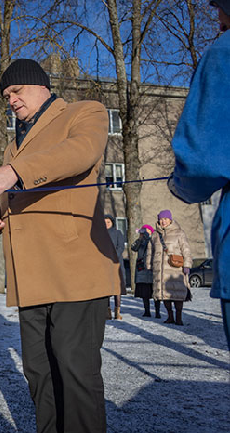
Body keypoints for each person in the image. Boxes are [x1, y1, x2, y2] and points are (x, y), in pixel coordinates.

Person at [0, 59, 120, 433]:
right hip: (31, 278)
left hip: (75, 271)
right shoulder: (12, 148)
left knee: (75, 370)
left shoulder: (84, 112)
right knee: (39, 373)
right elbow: (14, 198)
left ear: (40, 85)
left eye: (16, 91)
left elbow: (80, 152)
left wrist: (15, 172)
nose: (11, 100)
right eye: (6, 96)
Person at [168, 0, 230, 348]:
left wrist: (180, 183)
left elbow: (202, 158)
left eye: (220, 7)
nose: (218, 18)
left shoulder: (224, 53)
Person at [146, 210, 193, 326]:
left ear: (170, 220)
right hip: (160, 270)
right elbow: (150, 251)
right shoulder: (155, 235)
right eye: (161, 219)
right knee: (165, 294)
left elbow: (186, 250)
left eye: (165, 219)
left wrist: (187, 265)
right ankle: (170, 316)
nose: (163, 221)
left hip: (175, 269)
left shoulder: (179, 233)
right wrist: (149, 265)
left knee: (177, 295)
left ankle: (179, 318)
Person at [131, 225, 159, 318]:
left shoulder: (155, 239)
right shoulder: (141, 241)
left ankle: (157, 312)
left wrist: (148, 238)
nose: (145, 232)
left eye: (146, 230)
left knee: (155, 292)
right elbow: (134, 248)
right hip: (142, 270)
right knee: (144, 293)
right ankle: (147, 311)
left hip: (152, 269)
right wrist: (140, 239)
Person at [105, 214, 127, 320]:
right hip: (104, 264)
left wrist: (113, 256)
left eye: (108, 222)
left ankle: (117, 311)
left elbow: (121, 247)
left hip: (116, 263)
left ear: (112, 222)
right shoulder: (100, 234)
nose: (106, 224)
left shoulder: (118, 233)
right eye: (104, 222)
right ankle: (107, 311)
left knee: (117, 288)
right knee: (106, 288)